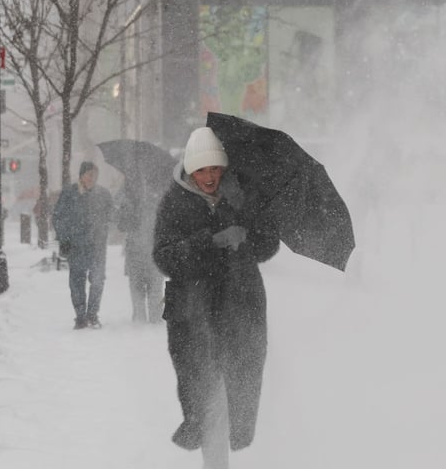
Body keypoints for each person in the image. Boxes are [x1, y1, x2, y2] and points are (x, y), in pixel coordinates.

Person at [152, 126, 280, 455]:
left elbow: (268, 246)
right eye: (202, 170)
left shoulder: (241, 195)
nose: (209, 177)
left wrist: (246, 236)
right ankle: (208, 443)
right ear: (190, 169)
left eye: (215, 169)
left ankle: (227, 441)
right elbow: (163, 256)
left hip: (240, 303)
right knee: (204, 394)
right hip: (190, 311)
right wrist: (209, 243)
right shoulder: (173, 201)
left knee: (238, 387)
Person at [52, 161, 114, 330]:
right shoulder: (70, 193)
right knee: (77, 281)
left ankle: (92, 315)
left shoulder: (103, 195)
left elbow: (112, 216)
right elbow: (58, 217)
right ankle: (80, 316)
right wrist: (65, 237)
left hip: (97, 246)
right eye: (89, 174)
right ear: (81, 175)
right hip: (76, 246)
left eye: (95, 175)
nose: (92, 178)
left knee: (98, 280)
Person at [116, 180, 165, 324]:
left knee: (155, 287)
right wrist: (127, 211)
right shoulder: (127, 192)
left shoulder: (161, 194)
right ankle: (139, 322)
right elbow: (121, 224)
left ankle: (155, 320)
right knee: (137, 287)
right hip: (135, 250)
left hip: (155, 248)